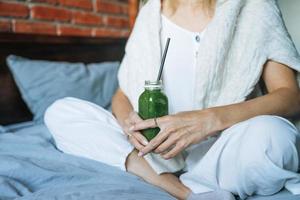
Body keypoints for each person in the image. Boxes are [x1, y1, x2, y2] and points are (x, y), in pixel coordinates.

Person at [44, 0, 300, 199]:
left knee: (276, 137)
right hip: (152, 152)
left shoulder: (254, 8)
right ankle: (175, 187)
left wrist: (208, 120)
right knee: (60, 112)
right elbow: (122, 93)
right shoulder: (149, 14)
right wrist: (128, 123)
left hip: (222, 150)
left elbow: (289, 96)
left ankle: (193, 183)